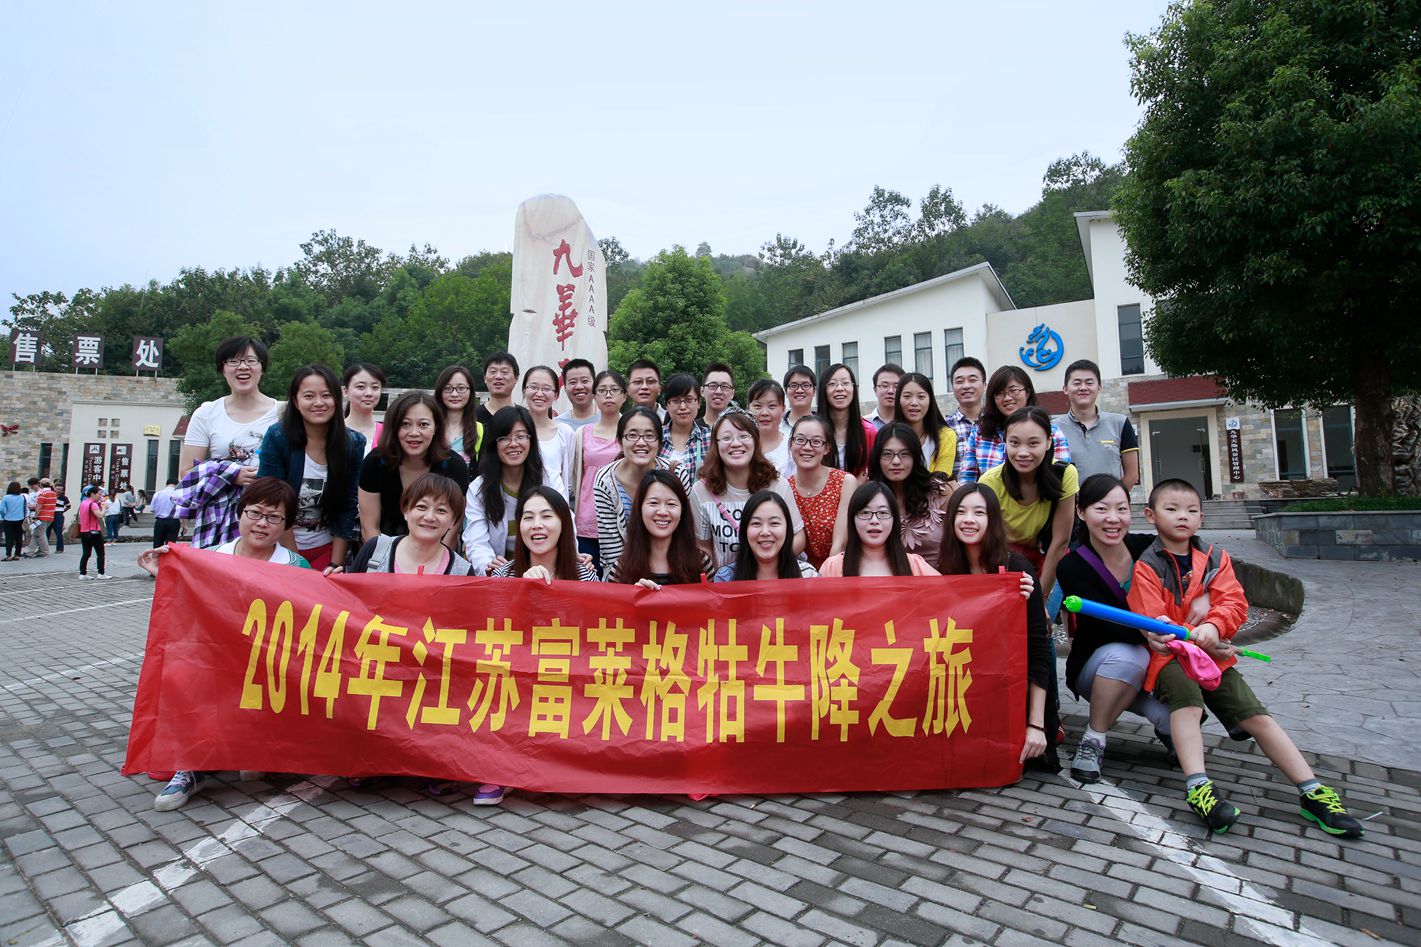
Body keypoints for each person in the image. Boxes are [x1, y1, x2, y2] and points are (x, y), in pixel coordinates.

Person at [1128, 479, 1363, 838]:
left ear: (1202, 517)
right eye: (1171, 509)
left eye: (1191, 510)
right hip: (1170, 659)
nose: (1182, 517)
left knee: (1255, 714)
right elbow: (1152, 619)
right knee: (1186, 703)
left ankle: (1312, 791)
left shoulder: (1215, 558)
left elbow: (1234, 602)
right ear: (1150, 515)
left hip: (1212, 657)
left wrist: (1214, 626)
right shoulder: (1146, 565)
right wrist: (1181, 632)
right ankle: (1198, 787)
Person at [137, 477, 311, 811]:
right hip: (214, 658)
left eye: (274, 517)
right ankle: (191, 767)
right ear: (239, 513)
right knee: (186, 676)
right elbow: (187, 607)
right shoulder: (211, 557)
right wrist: (165, 574)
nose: (262, 523)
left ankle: (254, 749)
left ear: (286, 524)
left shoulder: (295, 566)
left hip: (266, 662)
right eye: (255, 513)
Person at [1057, 474, 1176, 783]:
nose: (1113, 519)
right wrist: (1151, 633)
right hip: (1100, 666)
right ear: (1081, 512)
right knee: (1129, 655)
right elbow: (1106, 627)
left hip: (1156, 664)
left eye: (1121, 509)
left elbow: (1196, 568)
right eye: (1101, 509)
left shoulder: (1149, 548)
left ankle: (1169, 730)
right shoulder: (1072, 565)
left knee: (1177, 718)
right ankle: (1093, 740)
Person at [939, 483, 1058, 769]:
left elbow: (1038, 649)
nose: (969, 520)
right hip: (968, 690)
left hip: (1012, 692)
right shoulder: (946, 570)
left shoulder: (1017, 571)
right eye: (961, 512)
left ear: (992, 519)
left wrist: (1036, 725)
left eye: (979, 512)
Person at [257, 365, 366, 571]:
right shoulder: (278, 437)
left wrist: (336, 563)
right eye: (309, 396)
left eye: (326, 395)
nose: (318, 403)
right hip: (277, 547)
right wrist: (296, 563)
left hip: (326, 548)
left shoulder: (352, 443)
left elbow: (347, 505)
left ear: (337, 399)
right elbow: (271, 501)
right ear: (295, 401)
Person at [977, 406, 1078, 611]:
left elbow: (1060, 541)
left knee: (1041, 620)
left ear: (1048, 442)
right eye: (1014, 443)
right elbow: (987, 544)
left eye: (1033, 443)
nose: (1023, 453)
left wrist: (1041, 599)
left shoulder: (1064, 474)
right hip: (1005, 561)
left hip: (1049, 559)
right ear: (1005, 442)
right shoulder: (989, 482)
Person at [692, 412, 805, 572]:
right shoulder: (701, 490)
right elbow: (702, 545)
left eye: (743, 436)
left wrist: (767, 566)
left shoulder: (778, 485)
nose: (736, 443)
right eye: (726, 438)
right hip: (725, 582)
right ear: (715, 445)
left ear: (755, 441)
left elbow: (798, 537)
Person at [358, 391, 472, 540]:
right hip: (384, 545)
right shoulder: (375, 462)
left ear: (436, 427)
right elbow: (370, 527)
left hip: (437, 547)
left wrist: (438, 555)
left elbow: (452, 531)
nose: (414, 433)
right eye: (405, 424)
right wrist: (386, 555)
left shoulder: (454, 466)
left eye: (423, 425)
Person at [595, 407, 688, 579]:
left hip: (673, 569)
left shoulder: (676, 473)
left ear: (659, 442)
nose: (641, 442)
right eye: (632, 435)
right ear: (620, 440)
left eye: (649, 435)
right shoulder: (605, 480)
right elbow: (611, 547)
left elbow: (685, 528)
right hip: (625, 573)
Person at [462, 406, 550, 575]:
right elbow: (476, 539)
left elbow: (564, 524)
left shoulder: (549, 480)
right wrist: (491, 567)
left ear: (531, 440)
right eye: (504, 438)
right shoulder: (479, 488)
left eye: (521, 436)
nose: (513, 443)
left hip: (543, 569)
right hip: (500, 573)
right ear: (494, 444)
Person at [180, 336, 280, 475]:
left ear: (262, 367)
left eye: (251, 360)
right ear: (222, 369)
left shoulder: (284, 412)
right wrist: (231, 475)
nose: (243, 367)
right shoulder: (206, 414)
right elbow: (186, 473)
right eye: (233, 361)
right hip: (220, 490)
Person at [960, 366, 1071, 483]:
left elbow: (1061, 477)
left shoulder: (1052, 432)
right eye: (999, 393)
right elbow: (967, 478)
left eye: (1013, 391)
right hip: (989, 494)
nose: (1007, 398)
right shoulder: (980, 431)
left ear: (1027, 393)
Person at [349, 473, 475, 576]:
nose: (429, 517)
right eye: (422, 507)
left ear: (453, 521)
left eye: (441, 510)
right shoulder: (375, 550)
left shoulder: (462, 572)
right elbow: (349, 595)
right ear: (406, 511)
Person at [607, 469, 711, 587]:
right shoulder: (621, 568)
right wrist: (633, 595)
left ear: (682, 511)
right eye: (653, 503)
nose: (663, 512)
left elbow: (711, 599)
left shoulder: (702, 563)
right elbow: (613, 599)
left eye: (671, 504)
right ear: (640, 508)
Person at [870, 422, 951, 571]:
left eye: (904, 454)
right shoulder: (868, 497)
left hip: (939, 579)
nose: (896, 461)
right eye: (887, 454)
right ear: (877, 458)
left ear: (915, 456)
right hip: (887, 580)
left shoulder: (940, 492)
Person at [1054, 359, 1140, 490]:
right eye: (1077, 383)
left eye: (1089, 383)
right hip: (1068, 502)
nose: (1083, 387)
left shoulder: (1120, 423)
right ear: (1065, 389)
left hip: (1110, 502)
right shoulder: (1053, 428)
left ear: (1099, 387)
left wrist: (1114, 499)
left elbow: (1132, 475)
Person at [819, 482, 938, 577]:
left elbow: (944, 594)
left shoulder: (915, 566)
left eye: (883, 513)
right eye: (865, 513)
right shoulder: (832, 567)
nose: (874, 520)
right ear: (852, 519)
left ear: (894, 519)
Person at [571, 370, 625, 574]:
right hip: (587, 519)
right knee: (588, 577)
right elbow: (576, 476)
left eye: (614, 390)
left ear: (624, 395)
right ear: (594, 396)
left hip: (622, 520)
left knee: (619, 578)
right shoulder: (582, 433)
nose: (608, 395)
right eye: (602, 390)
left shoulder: (631, 433)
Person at [787, 415, 854, 570]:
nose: (807, 447)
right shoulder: (785, 488)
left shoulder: (845, 482)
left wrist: (825, 576)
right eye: (800, 440)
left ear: (827, 448)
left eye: (816, 441)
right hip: (798, 572)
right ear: (790, 444)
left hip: (838, 568)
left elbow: (840, 543)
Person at [492, 486, 599, 582]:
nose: (536, 525)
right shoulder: (502, 576)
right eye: (528, 517)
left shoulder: (585, 577)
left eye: (546, 516)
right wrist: (524, 587)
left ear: (563, 523)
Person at [711, 490, 818, 581]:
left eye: (774, 523)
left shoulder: (807, 575)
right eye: (756, 523)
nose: (765, 532)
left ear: (787, 529)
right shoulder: (726, 578)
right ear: (745, 529)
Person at [521, 365, 576, 499]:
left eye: (546, 389)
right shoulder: (513, 430)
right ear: (524, 391)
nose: (539, 393)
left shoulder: (565, 432)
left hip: (554, 504)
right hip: (519, 503)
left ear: (556, 395)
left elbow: (567, 477)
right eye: (533, 387)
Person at [892, 372, 957, 479]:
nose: (914, 403)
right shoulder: (889, 435)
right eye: (907, 396)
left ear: (930, 400)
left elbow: (942, 478)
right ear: (898, 399)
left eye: (921, 397)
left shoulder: (946, 436)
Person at [816, 363, 876, 479]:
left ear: (853, 388)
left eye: (845, 383)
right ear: (824, 390)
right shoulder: (814, 432)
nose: (840, 388)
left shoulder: (868, 432)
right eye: (832, 384)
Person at [658, 373, 709, 482]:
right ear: (666, 405)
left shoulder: (710, 437)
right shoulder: (656, 437)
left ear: (699, 403)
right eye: (675, 401)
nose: (682, 407)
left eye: (689, 400)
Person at [945, 356, 987, 480]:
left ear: (985, 385)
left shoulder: (997, 423)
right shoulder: (943, 427)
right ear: (952, 387)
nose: (966, 386)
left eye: (972, 380)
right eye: (959, 381)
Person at [434, 364, 483, 465]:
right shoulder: (431, 428)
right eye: (448, 388)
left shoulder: (480, 430)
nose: (454, 394)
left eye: (461, 388)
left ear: (470, 391)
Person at [747, 379, 792, 476]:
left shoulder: (792, 446)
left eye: (772, 406)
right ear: (748, 408)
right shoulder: (740, 444)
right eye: (758, 406)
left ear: (783, 409)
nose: (764, 413)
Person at [343, 363, 386, 457]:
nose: (369, 393)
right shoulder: (333, 430)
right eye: (361, 387)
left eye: (375, 387)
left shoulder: (388, 433)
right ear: (345, 391)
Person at [476, 352, 520, 426]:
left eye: (505, 372)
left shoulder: (524, 417)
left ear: (516, 378)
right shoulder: (472, 417)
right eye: (493, 372)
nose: (498, 376)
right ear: (485, 378)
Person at [76, 486, 110, 578]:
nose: (100, 496)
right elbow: (100, 515)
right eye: (99, 494)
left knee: (86, 553)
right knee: (100, 553)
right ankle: (101, 573)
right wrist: (104, 508)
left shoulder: (83, 503)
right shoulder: (93, 504)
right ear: (92, 494)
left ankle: (82, 573)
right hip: (94, 531)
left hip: (84, 531)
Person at [699, 362, 741, 431]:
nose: (718, 391)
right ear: (702, 391)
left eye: (725, 386)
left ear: (732, 393)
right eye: (713, 386)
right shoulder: (690, 430)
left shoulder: (741, 430)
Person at [557, 358, 598, 429]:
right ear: (565, 388)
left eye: (584, 381)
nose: (579, 387)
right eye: (573, 382)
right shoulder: (557, 425)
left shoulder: (612, 419)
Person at [868, 363, 903, 430]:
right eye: (885, 386)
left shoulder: (911, 423)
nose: (890, 391)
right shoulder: (863, 424)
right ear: (875, 390)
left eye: (896, 386)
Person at [25, 478, 55, 558]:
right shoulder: (53, 493)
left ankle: (44, 551)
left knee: (41, 534)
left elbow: (39, 506)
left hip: (41, 516)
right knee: (36, 533)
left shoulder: (42, 494)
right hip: (50, 516)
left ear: (40, 484)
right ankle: (31, 552)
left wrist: (35, 516)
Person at [782, 365, 817, 433]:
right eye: (793, 386)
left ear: (814, 391)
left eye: (806, 385)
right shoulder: (776, 427)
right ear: (786, 391)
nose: (799, 390)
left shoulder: (825, 426)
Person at [150, 479, 181, 547]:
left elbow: (152, 509)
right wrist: (185, 525)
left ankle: (158, 553)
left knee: (158, 543)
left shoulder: (157, 494)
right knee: (170, 544)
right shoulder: (179, 494)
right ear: (177, 485)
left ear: (166, 484)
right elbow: (182, 509)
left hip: (160, 520)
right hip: (174, 520)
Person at [1, 482, 25, 560]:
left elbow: (1, 509)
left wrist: (3, 516)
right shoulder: (22, 497)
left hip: (8, 519)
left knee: (9, 537)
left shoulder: (6, 497)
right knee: (18, 537)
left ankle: (8, 554)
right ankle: (17, 554)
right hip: (20, 519)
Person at [49, 482, 70, 554]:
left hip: (58, 514)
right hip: (50, 514)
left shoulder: (64, 498)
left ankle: (59, 549)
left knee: (58, 532)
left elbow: (68, 506)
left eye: (60, 489)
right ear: (54, 488)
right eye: (57, 489)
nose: (58, 491)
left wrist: (62, 511)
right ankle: (44, 548)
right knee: (47, 531)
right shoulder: (50, 496)